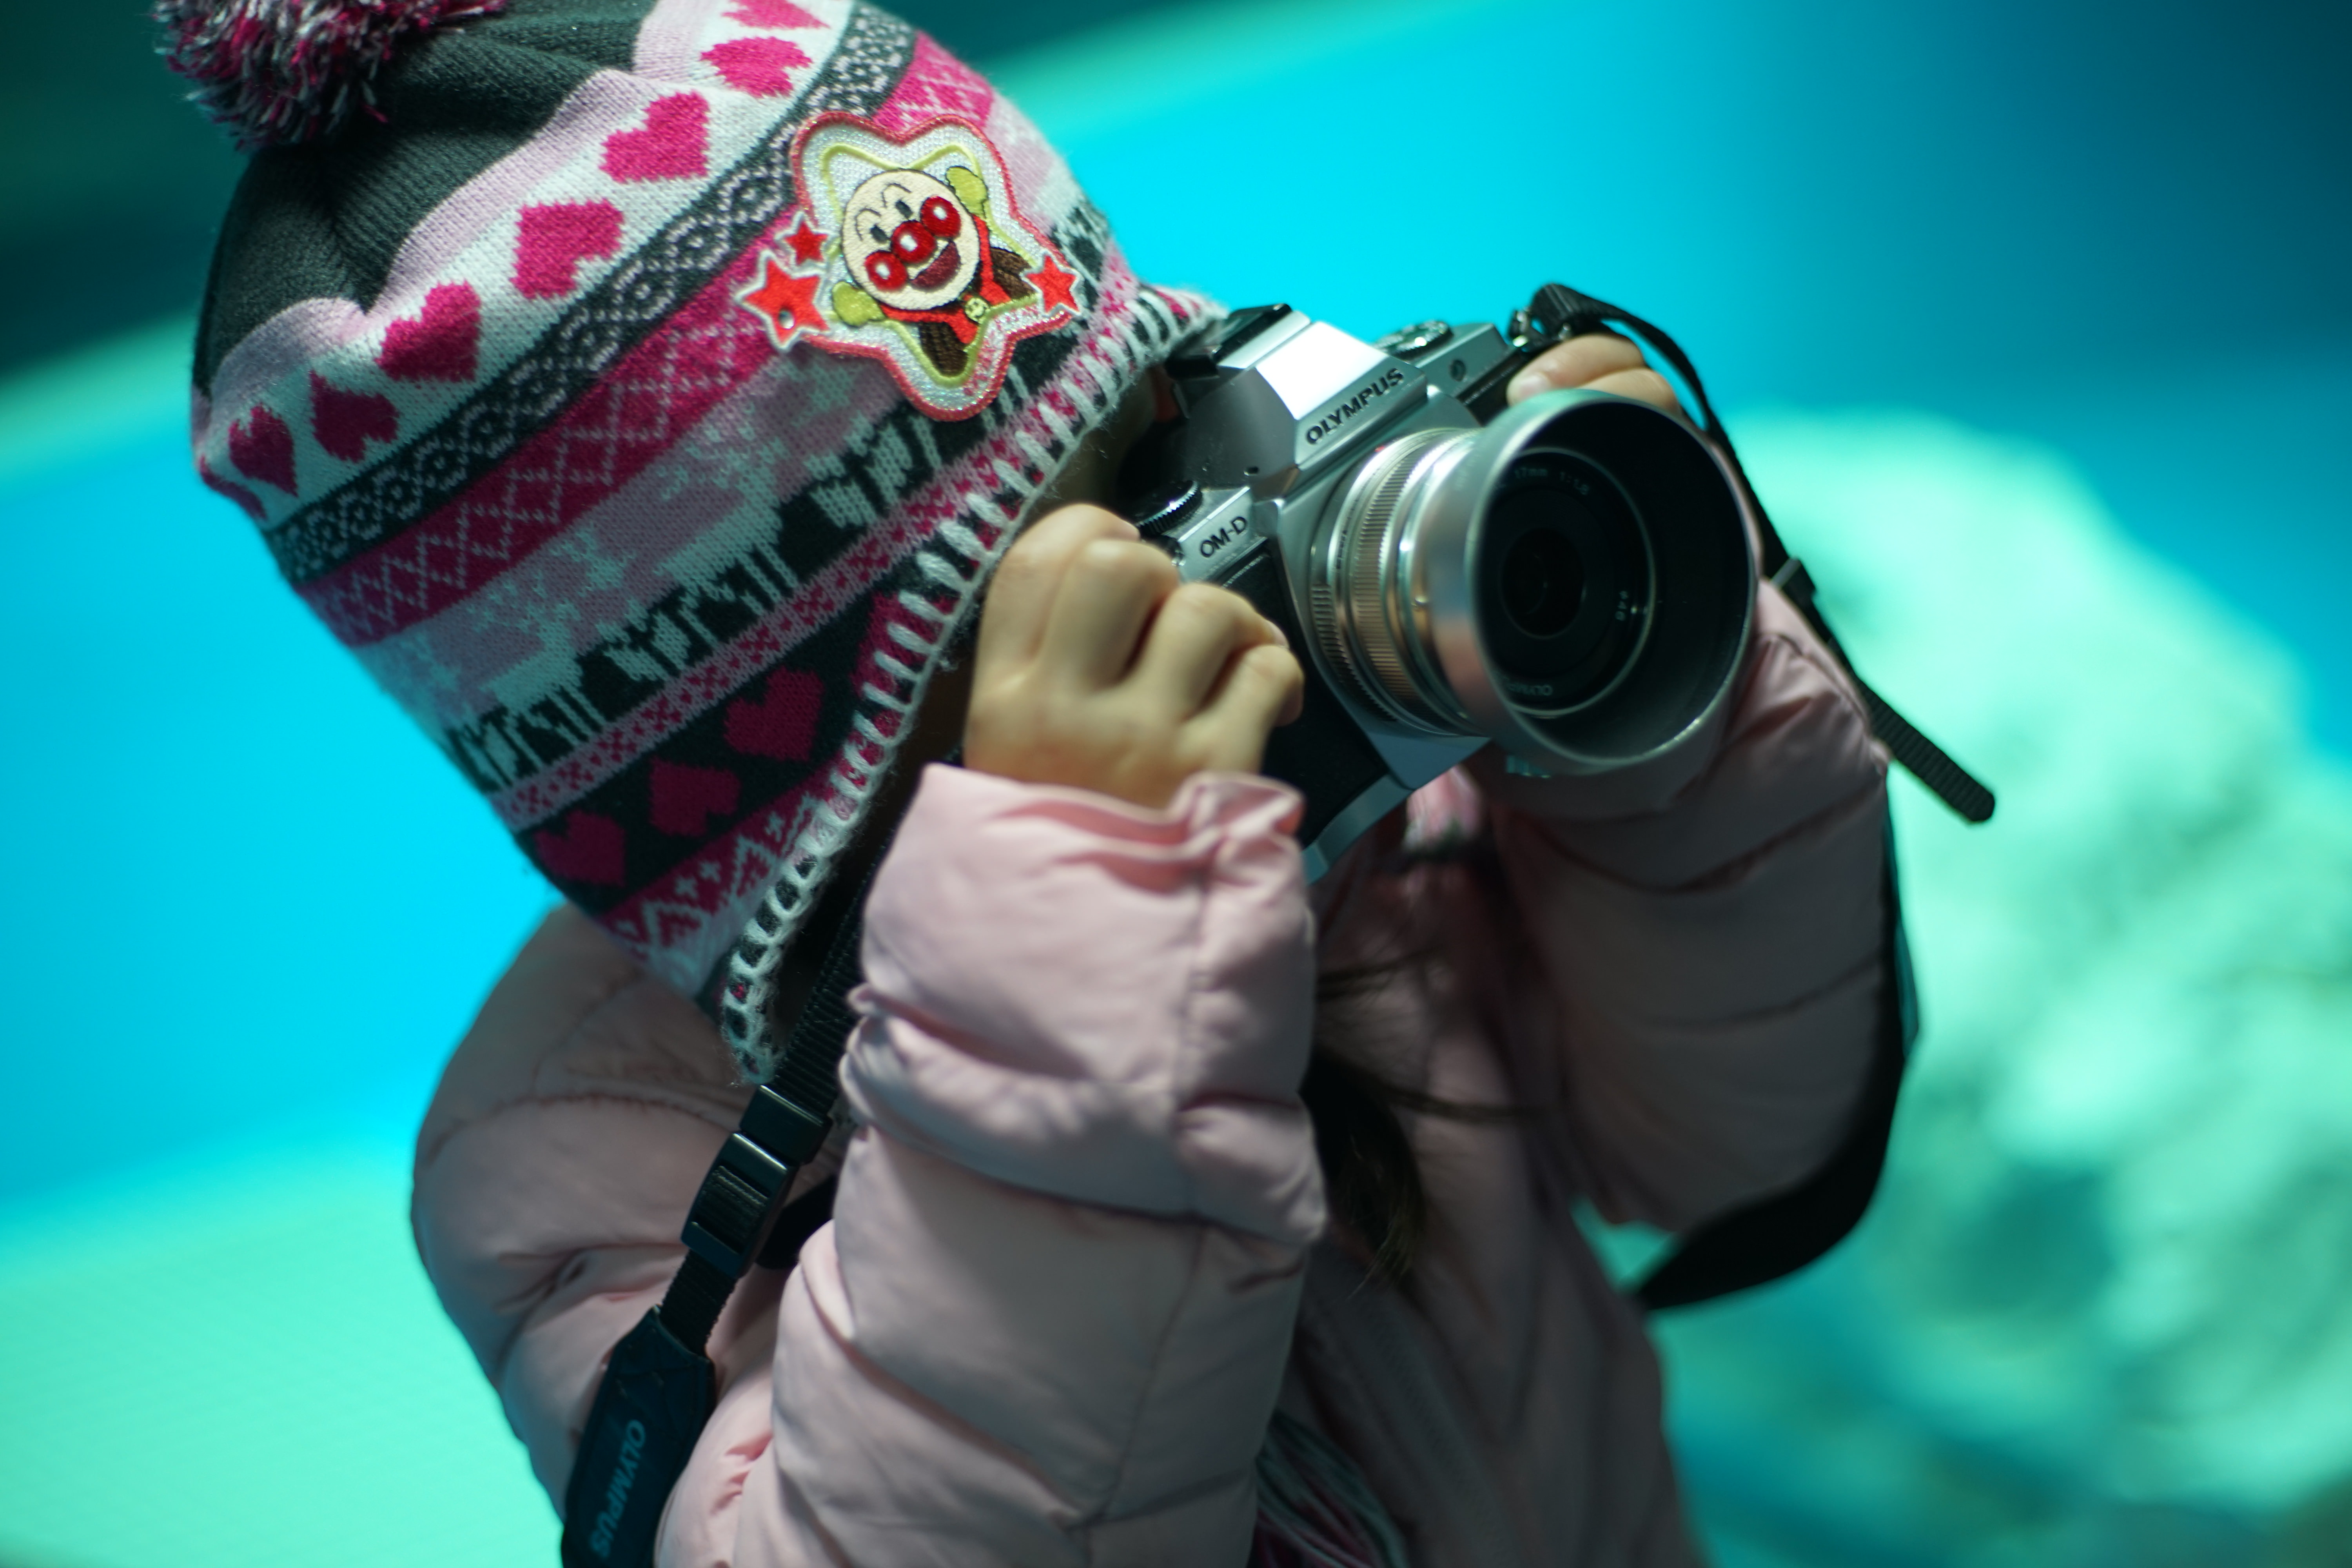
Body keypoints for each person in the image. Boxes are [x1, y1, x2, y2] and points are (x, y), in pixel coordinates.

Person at [167, 0, 1887, 1561]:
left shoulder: (1328, 786)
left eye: (1168, 468)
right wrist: (1064, 961)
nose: (1204, 610)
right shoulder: (581, 1157)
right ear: (788, 799)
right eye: (1049, 607)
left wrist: (1676, 714)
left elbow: (1728, 1144)